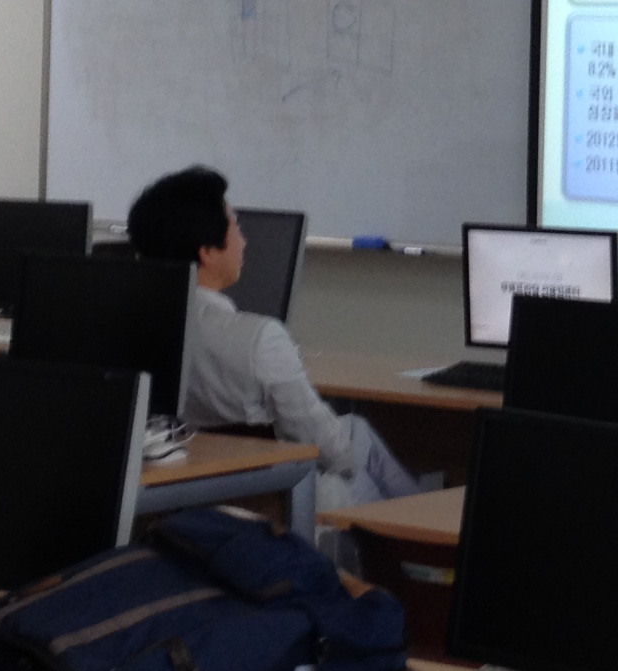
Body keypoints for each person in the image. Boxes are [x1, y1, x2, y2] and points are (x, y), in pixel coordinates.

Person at [124, 167, 429, 517]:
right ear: (207, 251)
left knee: (357, 432)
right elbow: (314, 437)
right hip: (270, 498)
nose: (244, 241)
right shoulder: (259, 338)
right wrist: (347, 469)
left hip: (174, 490)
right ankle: (420, 532)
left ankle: (419, 522)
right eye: (236, 227)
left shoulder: (125, 328)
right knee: (353, 469)